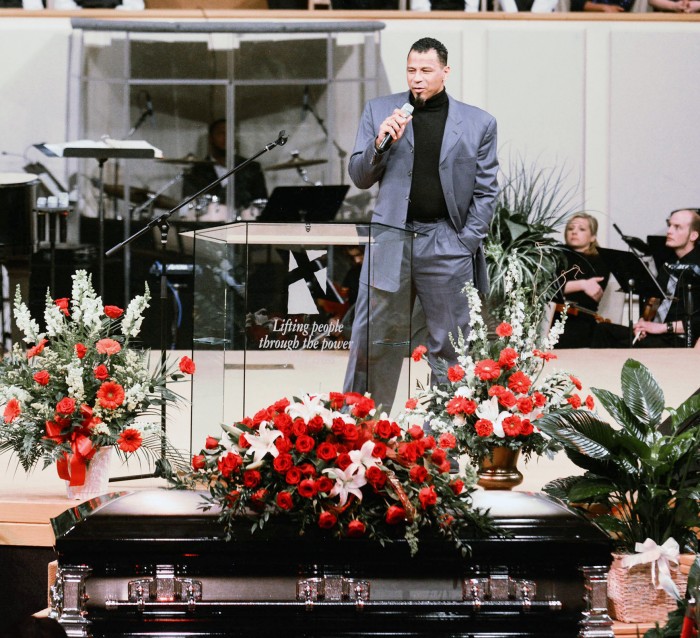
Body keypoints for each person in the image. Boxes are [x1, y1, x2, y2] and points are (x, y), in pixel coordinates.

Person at [343, 36, 499, 413]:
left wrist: (465, 242)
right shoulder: (381, 110)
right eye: (411, 70)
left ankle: (445, 435)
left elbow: (487, 191)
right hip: (391, 239)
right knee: (373, 338)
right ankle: (361, 428)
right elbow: (359, 176)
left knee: (450, 345)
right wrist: (381, 142)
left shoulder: (479, 123)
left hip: (447, 241)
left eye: (426, 70)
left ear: (445, 71)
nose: (417, 78)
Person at [592, 208, 700, 348]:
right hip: (658, 334)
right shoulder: (668, 265)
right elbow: (654, 301)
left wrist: (661, 328)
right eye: (670, 225)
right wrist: (643, 322)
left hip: (678, 338)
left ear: (693, 235)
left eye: (677, 227)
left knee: (630, 348)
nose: (669, 231)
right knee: (603, 330)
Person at [181, 119, 268, 214]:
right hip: (209, 227)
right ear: (210, 138)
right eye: (221, 133)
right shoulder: (196, 171)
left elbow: (262, 203)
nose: (226, 138)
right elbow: (189, 208)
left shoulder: (251, 167)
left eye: (230, 134)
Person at [554, 213, 610, 348]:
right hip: (551, 315)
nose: (574, 232)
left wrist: (565, 287)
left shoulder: (601, 260)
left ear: (593, 237)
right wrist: (582, 284)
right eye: (570, 228)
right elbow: (547, 288)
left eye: (581, 229)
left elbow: (590, 297)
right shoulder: (555, 254)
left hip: (580, 319)